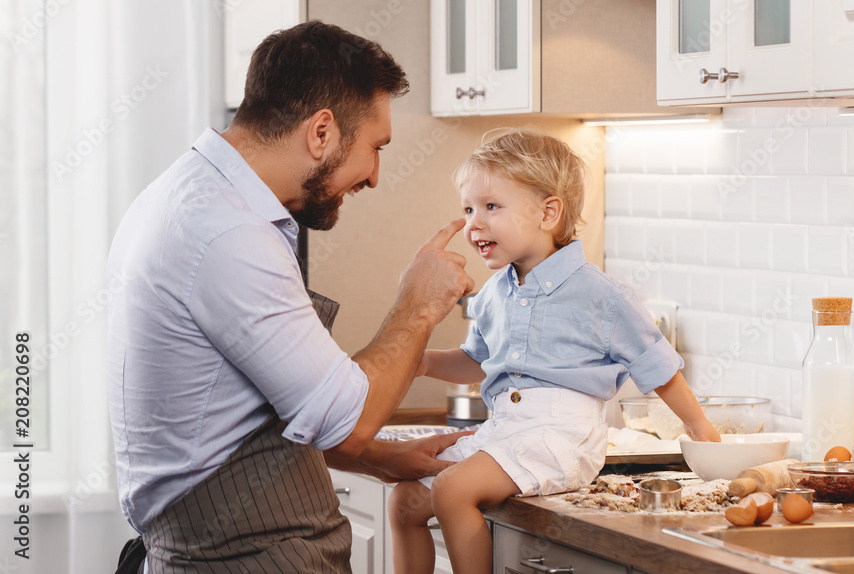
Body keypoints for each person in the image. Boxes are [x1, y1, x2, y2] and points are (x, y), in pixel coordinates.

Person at [106, 21, 475, 573]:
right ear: (321, 131)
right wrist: (419, 303)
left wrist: (375, 458)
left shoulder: (188, 195)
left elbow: (229, 415)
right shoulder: (229, 232)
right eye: (375, 148)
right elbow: (345, 417)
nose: (374, 176)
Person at [387, 128, 721, 574]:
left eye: (491, 207)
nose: (473, 224)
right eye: (468, 209)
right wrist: (423, 361)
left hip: (562, 437)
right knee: (404, 501)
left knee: (451, 490)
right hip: (505, 429)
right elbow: (475, 363)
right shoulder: (492, 295)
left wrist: (699, 426)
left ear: (548, 213)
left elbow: (657, 366)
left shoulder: (601, 295)